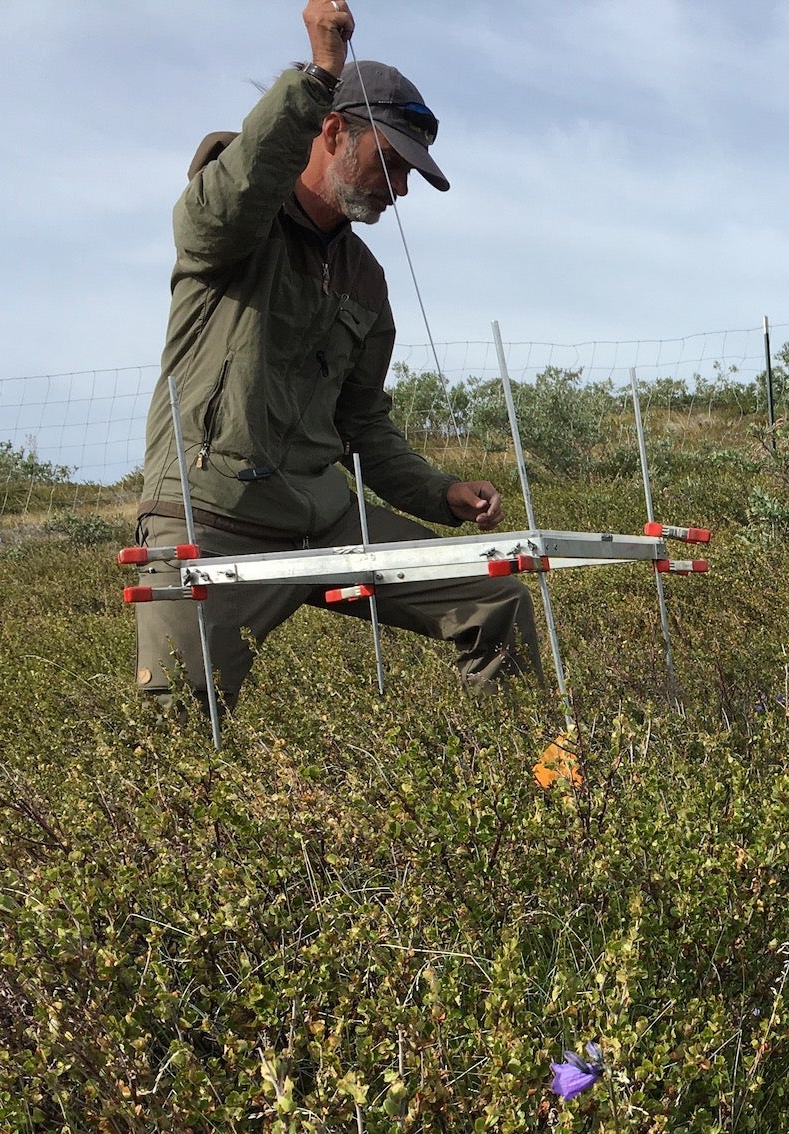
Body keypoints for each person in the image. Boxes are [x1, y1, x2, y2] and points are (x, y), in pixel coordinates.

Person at [133, 0, 538, 709]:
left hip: (320, 517)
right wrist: (319, 73)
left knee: (493, 596)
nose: (402, 188)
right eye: (392, 162)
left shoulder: (365, 279)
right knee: (177, 728)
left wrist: (438, 492)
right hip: (212, 515)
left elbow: (365, 425)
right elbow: (226, 206)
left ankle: (524, 800)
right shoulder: (232, 225)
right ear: (331, 131)